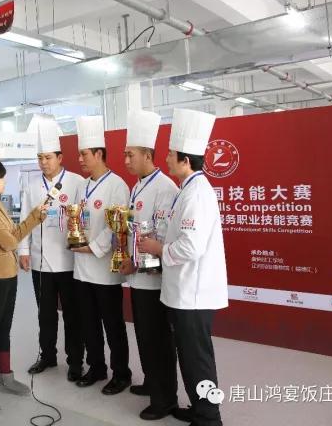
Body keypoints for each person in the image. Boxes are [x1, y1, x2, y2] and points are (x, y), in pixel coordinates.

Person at [139, 108, 228, 426]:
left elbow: (191, 246)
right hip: (184, 290)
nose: (165, 158)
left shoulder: (197, 194)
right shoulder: (188, 190)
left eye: (170, 154)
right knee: (190, 358)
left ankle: (209, 418)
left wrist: (158, 249)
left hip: (194, 293)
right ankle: (200, 408)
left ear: (185, 160)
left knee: (197, 359)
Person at [0, 158, 49, 415]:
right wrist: (29, 222)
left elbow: (14, 233)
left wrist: (36, 215)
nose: (4, 181)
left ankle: (5, 378)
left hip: (8, 274)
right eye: (1, 177)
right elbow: (11, 241)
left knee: (4, 329)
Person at [121, 110, 186, 421]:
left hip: (155, 280)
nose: (126, 160)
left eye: (130, 155)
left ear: (147, 155)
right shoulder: (137, 186)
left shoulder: (165, 189)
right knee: (145, 337)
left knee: (158, 341)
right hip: (138, 277)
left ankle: (165, 400)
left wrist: (135, 264)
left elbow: (161, 238)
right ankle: (152, 383)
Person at [18, 118, 85, 382]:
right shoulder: (32, 186)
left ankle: (75, 361)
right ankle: (47, 355)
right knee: (45, 315)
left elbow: (84, 219)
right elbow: (25, 220)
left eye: (47, 157)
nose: (43, 163)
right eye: (39, 158)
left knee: (72, 315)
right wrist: (23, 251)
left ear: (59, 157)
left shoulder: (77, 182)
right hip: (40, 261)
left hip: (69, 261)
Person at [71, 116, 133, 396]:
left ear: (98, 154)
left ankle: (121, 373)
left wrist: (92, 247)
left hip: (104, 269)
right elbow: (76, 218)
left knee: (113, 325)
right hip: (82, 268)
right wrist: (74, 237)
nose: (80, 159)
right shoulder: (82, 185)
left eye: (84, 154)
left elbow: (116, 226)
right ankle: (96, 367)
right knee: (88, 323)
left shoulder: (117, 185)